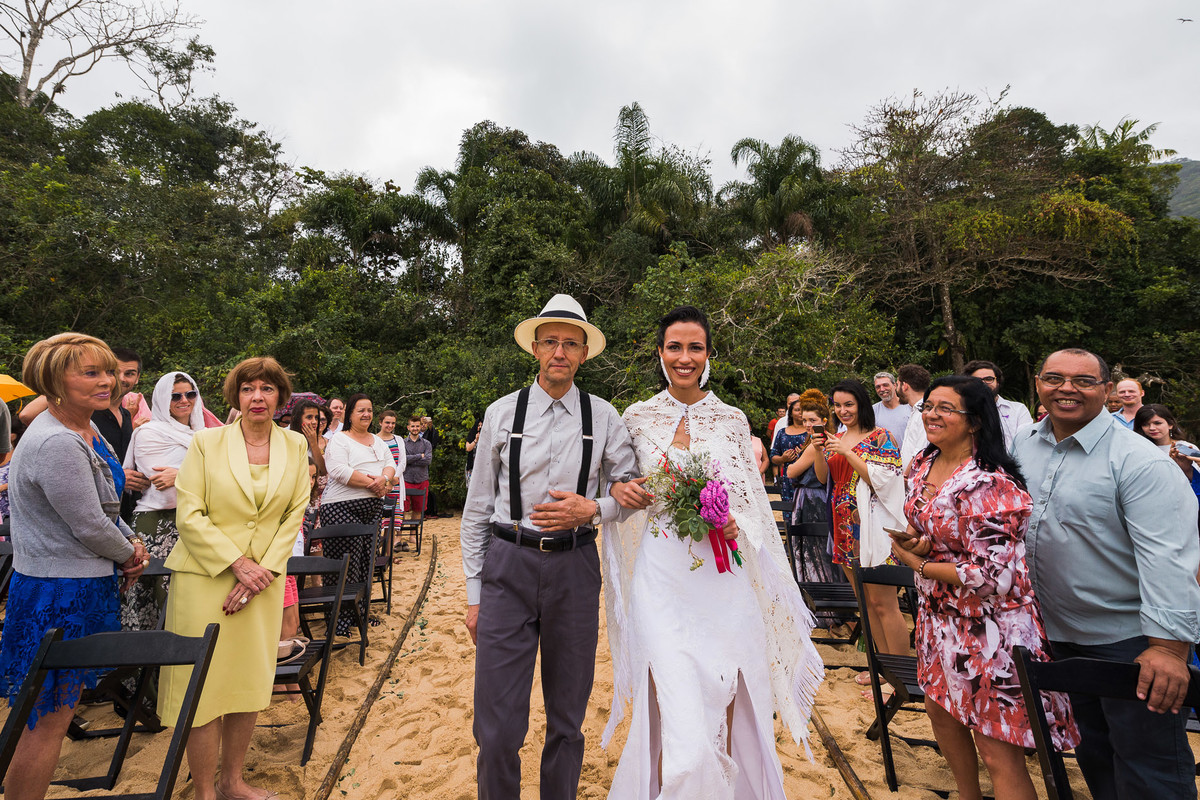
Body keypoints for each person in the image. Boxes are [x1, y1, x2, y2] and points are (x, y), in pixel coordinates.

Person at [604, 305, 823, 799]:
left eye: (695, 347)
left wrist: (731, 520)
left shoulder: (731, 419)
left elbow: (753, 510)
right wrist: (622, 491)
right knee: (675, 704)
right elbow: (617, 483)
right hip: (661, 576)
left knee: (724, 690)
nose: (685, 357)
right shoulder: (636, 417)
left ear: (709, 354)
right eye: (675, 347)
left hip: (723, 580)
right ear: (659, 352)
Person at [460, 294, 640, 800]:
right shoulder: (501, 413)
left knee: (567, 719)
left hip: (575, 567)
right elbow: (476, 510)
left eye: (570, 344)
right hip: (507, 567)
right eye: (550, 342)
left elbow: (630, 492)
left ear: (584, 354)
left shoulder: (604, 417)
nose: (559, 352)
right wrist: (475, 595)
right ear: (535, 349)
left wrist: (595, 509)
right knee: (496, 730)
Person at [1013, 349, 1200, 800]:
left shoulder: (1140, 462)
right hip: (1053, 637)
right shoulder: (1020, 445)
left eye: (1083, 381)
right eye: (1054, 378)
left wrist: (1169, 651)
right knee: (1094, 757)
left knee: (1149, 772)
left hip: (1131, 645)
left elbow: (1169, 558)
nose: (1066, 388)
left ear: (1107, 390)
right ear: (1038, 384)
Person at [890, 375, 1078, 800]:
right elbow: (934, 527)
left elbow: (995, 577)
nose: (932, 414)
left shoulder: (991, 484)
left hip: (990, 631)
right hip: (937, 621)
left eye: (945, 408)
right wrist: (919, 541)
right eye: (929, 406)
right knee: (942, 717)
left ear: (974, 421)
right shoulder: (923, 462)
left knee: (997, 750)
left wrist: (919, 563)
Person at [0, 333, 148, 800]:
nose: (107, 381)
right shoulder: (56, 442)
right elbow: (86, 524)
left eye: (108, 371)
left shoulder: (86, 426)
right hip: (58, 594)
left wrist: (131, 541)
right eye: (90, 372)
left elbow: (104, 508)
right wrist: (129, 555)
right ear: (53, 381)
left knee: (51, 713)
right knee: (47, 719)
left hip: (82, 583)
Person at [157, 356, 310, 800]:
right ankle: (204, 789)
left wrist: (260, 572)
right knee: (202, 687)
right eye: (247, 389)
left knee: (247, 683)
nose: (257, 397)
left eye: (266, 388)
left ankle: (232, 781)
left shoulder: (295, 445)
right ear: (235, 396)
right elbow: (190, 514)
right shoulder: (206, 442)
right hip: (206, 577)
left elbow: (293, 514)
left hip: (262, 582)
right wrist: (237, 565)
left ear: (280, 396)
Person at [811, 379, 909, 686]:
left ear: (861, 404)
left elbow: (889, 481)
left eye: (848, 404)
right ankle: (882, 669)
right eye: (837, 405)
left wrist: (848, 452)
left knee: (884, 603)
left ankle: (903, 675)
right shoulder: (837, 437)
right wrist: (818, 452)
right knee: (866, 605)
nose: (842, 411)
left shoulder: (881, 436)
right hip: (841, 525)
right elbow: (824, 476)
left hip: (872, 526)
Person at [120, 372, 208, 635]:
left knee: (190, 602)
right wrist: (203, 476)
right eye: (175, 396)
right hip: (157, 523)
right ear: (161, 398)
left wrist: (180, 475)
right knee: (157, 605)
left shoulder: (204, 436)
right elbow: (161, 482)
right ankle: (147, 674)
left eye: (190, 394)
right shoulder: (149, 433)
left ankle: (187, 671)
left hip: (195, 522)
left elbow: (224, 476)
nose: (184, 400)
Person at [17, 346, 151, 514]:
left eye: (130, 373)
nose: (121, 378)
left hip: (123, 510)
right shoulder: (85, 411)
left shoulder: (126, 415)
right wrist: (61, 383)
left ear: (137, 378)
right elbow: (27, 415)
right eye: (114, 371)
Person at [321, 393, 399, 632]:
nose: (366, 414)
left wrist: (384, 478)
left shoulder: (378, 441)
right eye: (361, 410)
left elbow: (391, 465)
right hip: (341, 507)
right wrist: (373, 483)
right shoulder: (340, 440)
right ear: (350, 414)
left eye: (370, 410)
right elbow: (337, 470)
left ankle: (360, 614)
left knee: (366, 562)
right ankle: (339, 621)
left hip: (372, 508)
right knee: (346, 564)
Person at [785, 389, 842, 586]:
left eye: (812, 420)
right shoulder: (825, 439)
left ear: (824, 420)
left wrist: (792, 464)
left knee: (813, 552)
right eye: (805, 420)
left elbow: (791, 472)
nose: (808, 425)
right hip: (818, 497)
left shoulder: (815, 444)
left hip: (812, 499)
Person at [1134, 404, 1200, 506]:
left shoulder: (1186, 448)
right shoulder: (1139, 449)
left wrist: (1186, 469)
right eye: (1146, 424)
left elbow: (1196, 483)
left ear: (1170, 424)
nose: (1152, 428)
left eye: (1157, 423)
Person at [962, 360, 1033, 450]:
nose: (983, 383)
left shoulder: (1017, 410)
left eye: (988, 379)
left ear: (998, 382)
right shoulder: (961, 411)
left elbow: (1025, 442)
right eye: (976, 380)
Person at [769, 397, 808, 505]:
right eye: (797, 410)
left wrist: (805, 453)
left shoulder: (811, 432)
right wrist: (782, 459)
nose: (801, 413)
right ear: (790, 413)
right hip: (788, 479)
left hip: (808, 480)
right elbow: (773, 457)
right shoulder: (782, 433)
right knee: (789, 511)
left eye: (804, 409)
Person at [897, 363, 932, 470]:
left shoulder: (925, 412)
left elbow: (921, 451)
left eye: (897, 384)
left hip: (914, 478)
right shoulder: (915, 410)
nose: (896, 389)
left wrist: (906, 476)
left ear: (905, 386)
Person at [404, 416, 432, 521]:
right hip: (406, 479)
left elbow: (428, 460)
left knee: (418, 509)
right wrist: (420, 456)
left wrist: (410, 459)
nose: (415, 428)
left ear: (420, 427)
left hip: (422, 479)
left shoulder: (427, 443)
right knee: (402, 509)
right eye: (412, 426)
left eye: (417, 426)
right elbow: (403, 460)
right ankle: (399, 534)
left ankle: (412, 536)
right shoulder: (403, 443)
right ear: (408, 427)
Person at [872, 371, 912, 445]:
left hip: (909, 455)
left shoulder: (910, 407)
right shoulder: (872, 411)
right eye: (878, 387)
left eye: (885, 385)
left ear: (895, 385)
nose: (882, 389)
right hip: (883, 455)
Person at [464, 411, 484, 487]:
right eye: (478, 425)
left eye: (482, 425)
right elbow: (468, 448)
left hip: (482, 466)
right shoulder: (472, 434)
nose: (480, 427)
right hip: (472, 465)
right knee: (472, 487)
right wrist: (476, 440)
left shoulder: (486, 436)